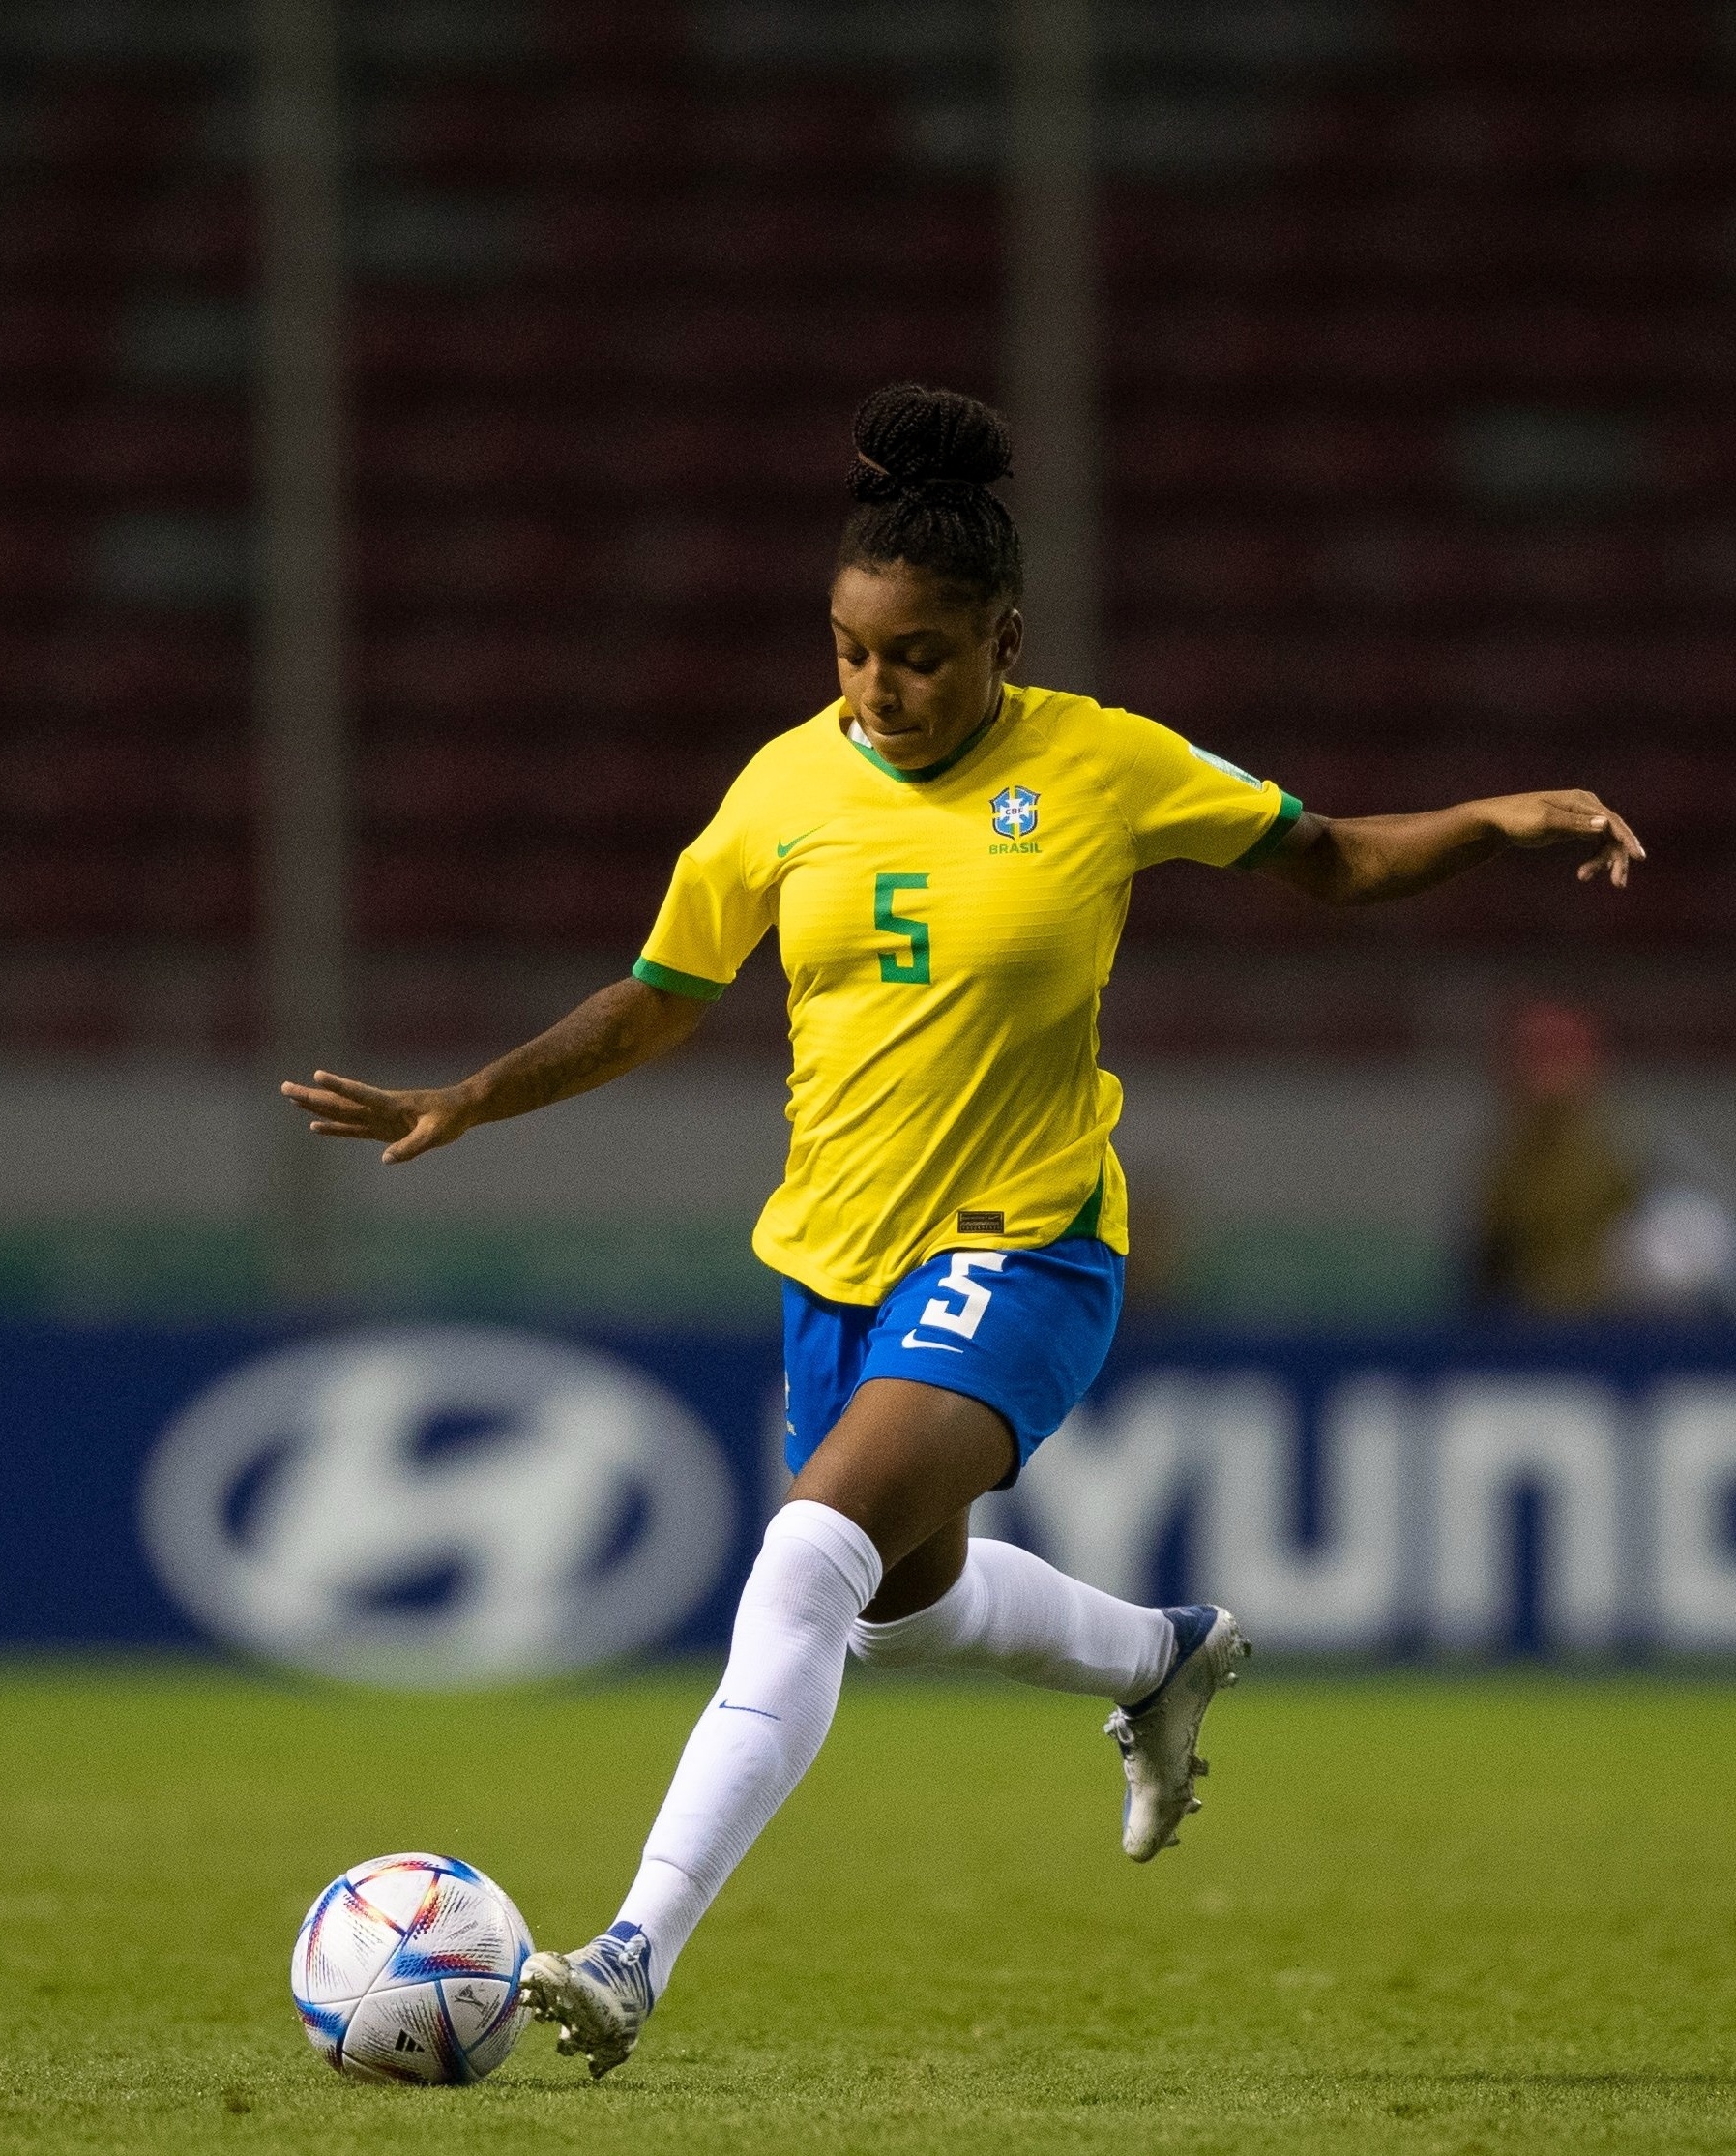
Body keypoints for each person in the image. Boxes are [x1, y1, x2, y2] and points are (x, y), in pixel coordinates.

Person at [282, 383, 1645, 2078]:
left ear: (1004, 634)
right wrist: (472, 1096)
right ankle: (1161, 1653)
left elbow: (1333, 858)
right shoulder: (782, 787)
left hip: (1029, 1243)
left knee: (801, 1553)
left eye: (918, 653)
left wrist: (1501, 816)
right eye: (853, 651)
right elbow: (657, 996)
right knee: (895, 1613)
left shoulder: (1103, 760)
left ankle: (633, 1945)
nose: (879, 687)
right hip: (833, 1263)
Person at [1474, 999, 1638, 1314]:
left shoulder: (1631, 1156)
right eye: (1531, 1053)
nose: (1547, 1073)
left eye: (1561, 1052)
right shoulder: (1499, 1165)